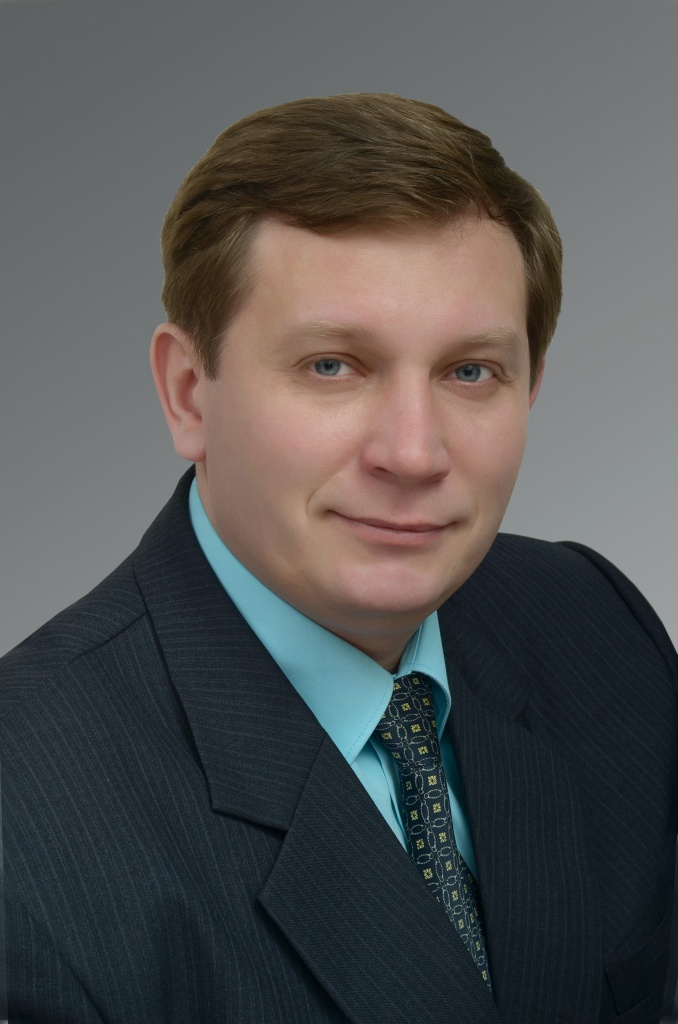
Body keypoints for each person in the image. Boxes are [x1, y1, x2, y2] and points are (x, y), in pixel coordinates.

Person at [1, 93, 676, 1024]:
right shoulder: (24, 821)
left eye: (470, 372)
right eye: (333, 366)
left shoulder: (596, 625)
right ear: (189, 392)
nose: (414, 452)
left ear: (530, 389)